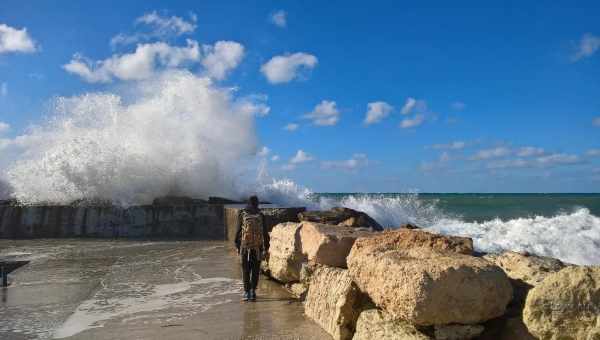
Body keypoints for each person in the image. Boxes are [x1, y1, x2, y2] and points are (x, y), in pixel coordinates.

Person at [234, 195, 269, 301]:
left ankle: (246, 292)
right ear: (257, 203)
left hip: (245, 246)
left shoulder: (242, 214)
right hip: (257, 247)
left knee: (245, 270)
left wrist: (237, 245)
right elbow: (265, 233)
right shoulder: (260, 215)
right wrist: (266, 247)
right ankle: (253, 291)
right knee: (255, 270)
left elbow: (238, 231)